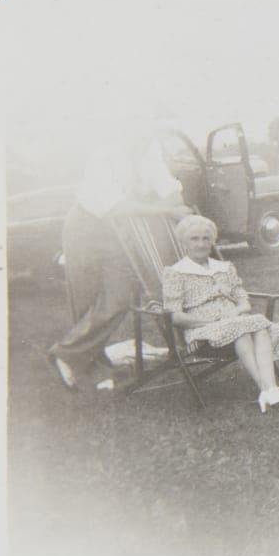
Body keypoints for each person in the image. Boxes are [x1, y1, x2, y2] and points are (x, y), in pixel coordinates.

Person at [47, 127, 193, 391]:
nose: (141, 135)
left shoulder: (150, 152)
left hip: (122, 232)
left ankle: (65, 354)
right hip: (87, 227)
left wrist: (177, 208)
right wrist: (164, 209)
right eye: (135, 126)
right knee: (86, 298)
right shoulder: (103, 156)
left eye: (146, 126)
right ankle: (96, 371)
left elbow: (169, 189)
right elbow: (115, 206)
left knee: (120, 294)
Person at [162, 215, 279, 412]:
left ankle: (270, 390)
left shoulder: (224, 267)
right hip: (202, 329)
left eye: (206, 238)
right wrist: (215, 319)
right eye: (194, 239)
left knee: (255, 326)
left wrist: (238, 310)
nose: (201, 244)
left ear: (212, 241)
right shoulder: (176, 272)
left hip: (235, 321)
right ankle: (268, 389)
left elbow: (242, 298)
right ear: (184, 242)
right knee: (247, 327)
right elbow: (175, 316)